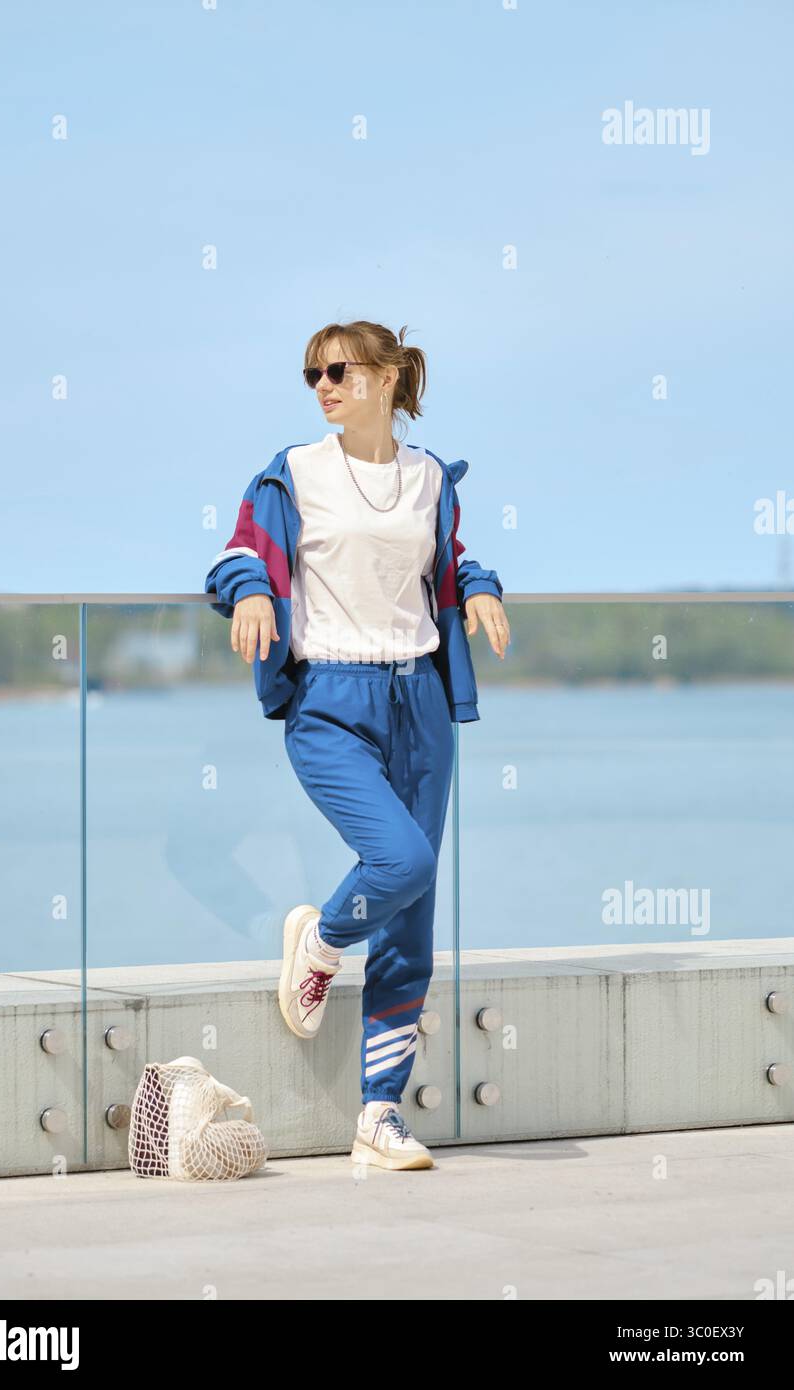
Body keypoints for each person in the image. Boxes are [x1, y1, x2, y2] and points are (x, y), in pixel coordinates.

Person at [205, 320, 510, 1171]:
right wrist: (252, 593)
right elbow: (235, 553)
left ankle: (380, 1116)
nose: (322, 386)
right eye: (312, 374)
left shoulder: (425, 478)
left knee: (414, 918)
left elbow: (445, 564)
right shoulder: (294, 472)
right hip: (330, 701)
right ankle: (326, 941)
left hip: (420, 701)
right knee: (400, 862)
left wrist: (479, 586)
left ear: (384, 376)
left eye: (337, 370)